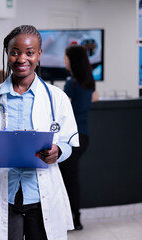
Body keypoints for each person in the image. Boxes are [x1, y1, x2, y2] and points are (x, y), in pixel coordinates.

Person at [0, 25, 79, 240]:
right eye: (15, 52)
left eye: (29, 53)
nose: (22, 59)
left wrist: (58, 152)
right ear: (7, 54)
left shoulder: (57, 98)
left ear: (39, 54)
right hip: (6, 196)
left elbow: (68, 144)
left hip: (41, 194)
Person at [59, 44, 98, 230]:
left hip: (72, 138)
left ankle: (74, 219)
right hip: (84, 137)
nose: (64, 60)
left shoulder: (71, 83)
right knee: (71, 178)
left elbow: (64, 108)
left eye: (65, 57)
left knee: (69, 180)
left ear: (71, 60)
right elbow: (94, 98)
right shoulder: (88, 82)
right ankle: (73, 217)